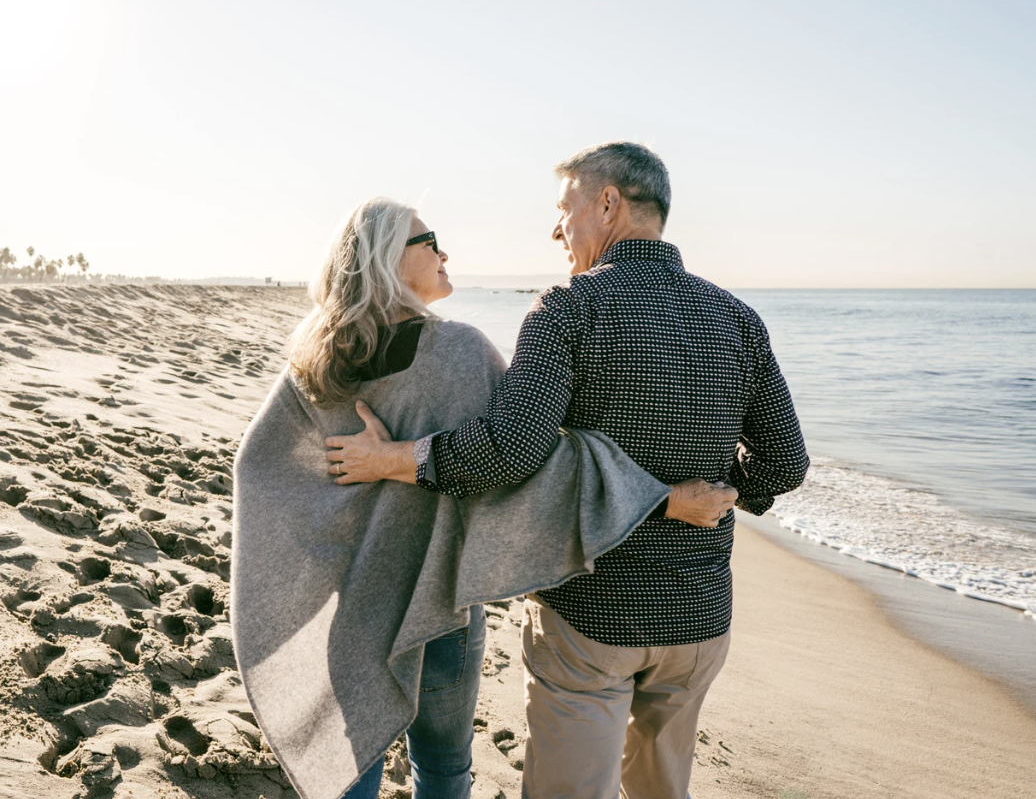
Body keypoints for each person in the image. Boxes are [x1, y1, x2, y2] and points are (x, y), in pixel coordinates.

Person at [323, 143, 810, 799]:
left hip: (591, 614)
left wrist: (398, 458)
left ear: (608, 203)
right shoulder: (738, 319)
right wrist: (727, 491)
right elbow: (785, 462)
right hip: (698, 615)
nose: (557, 228)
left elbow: (511, 450)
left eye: (565, 208)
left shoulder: (569, 308)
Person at [231, 196, 735, 799]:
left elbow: (258, 469)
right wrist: (663, 499)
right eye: (429, 240)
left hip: (353, 599)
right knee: (442, 767)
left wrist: (334, 528)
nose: (444, 252)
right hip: (439, 597)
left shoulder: (315, 357)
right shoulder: (460, 352)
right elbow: (531, 464)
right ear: (388, 259)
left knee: (350, 765)